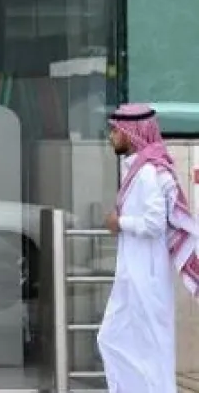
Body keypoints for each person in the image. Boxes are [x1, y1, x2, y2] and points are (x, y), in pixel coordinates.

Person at [97, 103, 199, 393]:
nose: (111, 137)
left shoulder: (148, 173)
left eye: (116, 131)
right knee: (117, 339)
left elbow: (154, 223)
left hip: (147, 276)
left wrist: (120, 223)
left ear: (132, 132)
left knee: (150, 346)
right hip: (136, 272)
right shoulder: (139, 169)